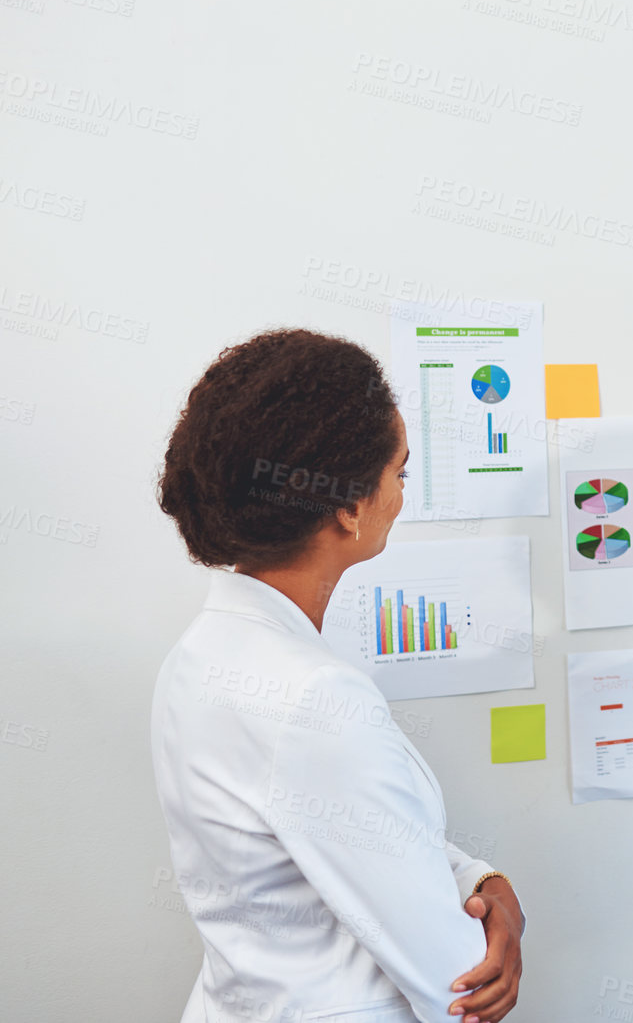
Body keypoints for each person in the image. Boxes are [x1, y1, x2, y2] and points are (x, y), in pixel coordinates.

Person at [152, 328, 523, 1023]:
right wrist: (500, 915)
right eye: (400, 473)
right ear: (348, 507)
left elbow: (340, 831)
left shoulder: (202, 654)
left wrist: (481, 879)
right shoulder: (313, 700)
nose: (401, 494)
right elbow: (458, 980)